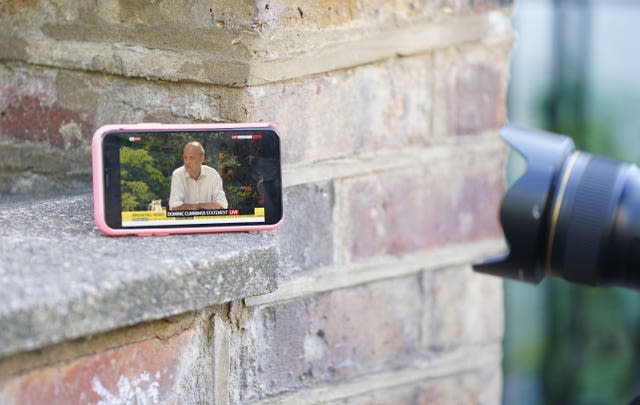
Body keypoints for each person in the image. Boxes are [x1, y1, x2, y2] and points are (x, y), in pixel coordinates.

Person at [169, 141, 228, 210]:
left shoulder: (213, 174)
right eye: (185, 157)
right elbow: (175, 207)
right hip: (186, 220)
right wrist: (201, 207)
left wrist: (197, 207)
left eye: (191, 158)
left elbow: (222, 205)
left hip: (209, 220)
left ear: (202, 158)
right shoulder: (178, 174)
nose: (187, 162)